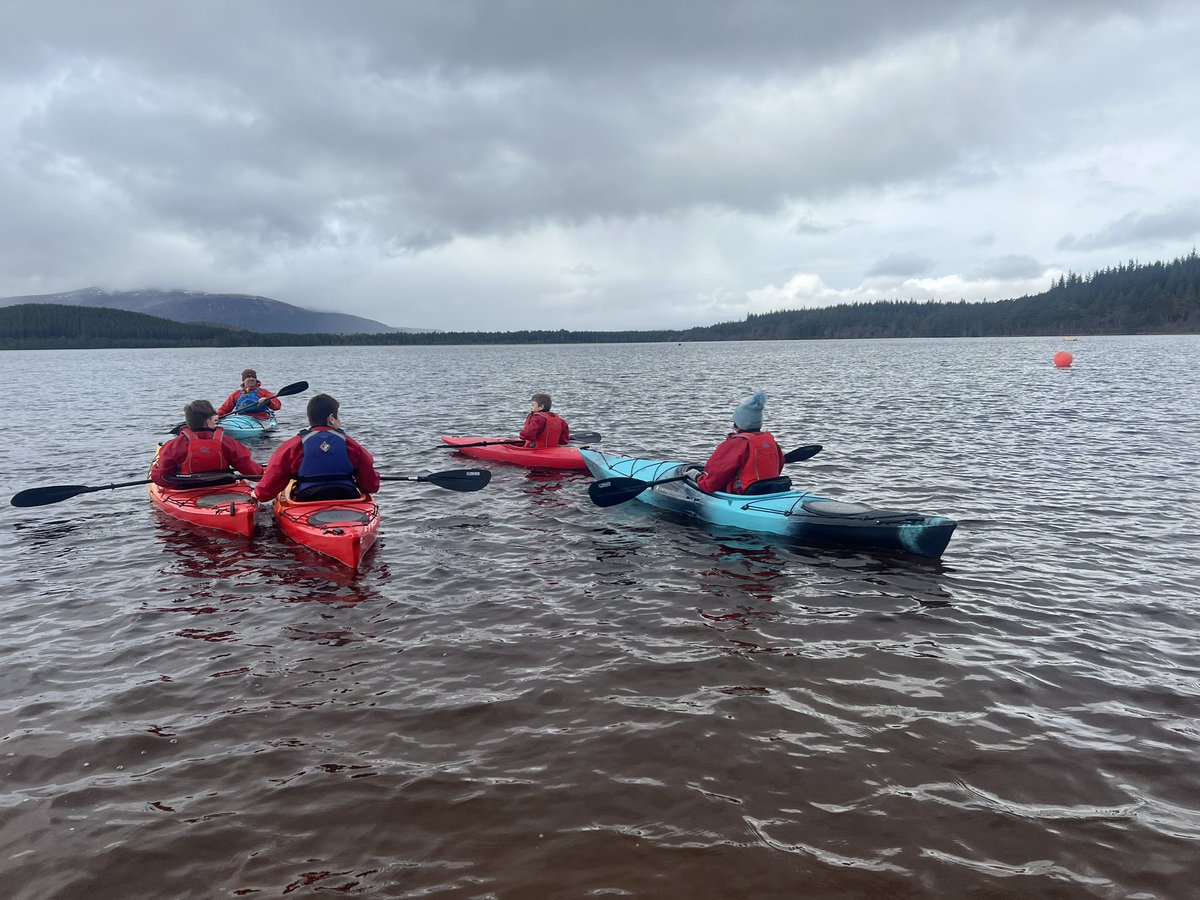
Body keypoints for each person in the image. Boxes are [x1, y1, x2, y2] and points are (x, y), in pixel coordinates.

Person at [251, 394, 381, 502]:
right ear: (331, 418)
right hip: (347, 496)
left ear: (309, 419)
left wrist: (257, 494)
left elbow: (272, 481)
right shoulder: (351, 445)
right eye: (339, 415)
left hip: (307, 499)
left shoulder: (293, 445)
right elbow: (370, 486)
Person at [150, 400, 265, 488]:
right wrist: (264, 472)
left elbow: (160, 477)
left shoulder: (173, 446)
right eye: (213, 419)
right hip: (223, 488)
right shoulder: (228, 442)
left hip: (186, 490)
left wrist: (174, 481)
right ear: (208, 422)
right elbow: (251, 471)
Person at [695, 391, 785, 494]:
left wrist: (697, 477)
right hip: (770, 489)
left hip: (746, 493)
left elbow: (710, 484)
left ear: (738, 423)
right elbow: (780, 463)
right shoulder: (771, 441)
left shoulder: (736, 444)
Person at [217, 369, 282, 420]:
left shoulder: (264, 392)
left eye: (253, 377)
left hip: (261, 419)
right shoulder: (236, 394)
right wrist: (216, 416)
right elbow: (224, 409)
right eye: (248, 377)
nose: (251, 379)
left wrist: (268, 401)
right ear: (243, 380)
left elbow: (277, 406)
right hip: (242, 420)